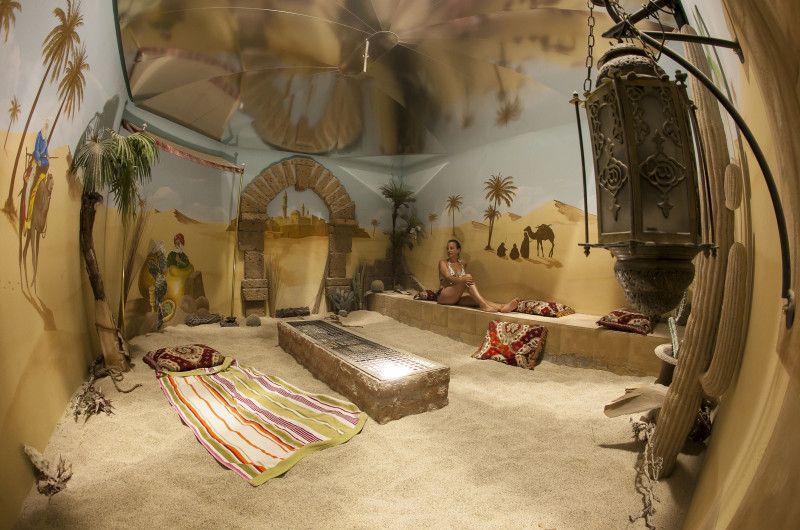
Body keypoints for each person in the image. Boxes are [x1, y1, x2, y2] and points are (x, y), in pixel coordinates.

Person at [437, 239, 519, 312]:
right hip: (443, 296)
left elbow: (461, 283)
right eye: (447, 248)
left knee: (477, 298)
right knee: (467, 278)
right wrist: (462, 280)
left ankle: (502, 307)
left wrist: (463, 281)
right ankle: (484, 306)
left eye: (451, 248)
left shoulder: (463, 263)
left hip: (457, 296)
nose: (449, 250)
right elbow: (448, 278)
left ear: (458, 250)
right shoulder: (443, 263)